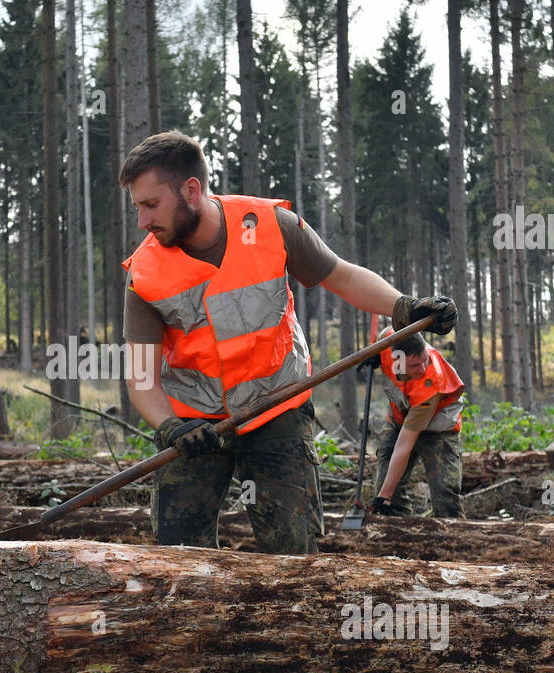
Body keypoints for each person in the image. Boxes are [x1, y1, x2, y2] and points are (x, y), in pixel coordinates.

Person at [120, 131, 456, 553]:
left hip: (277, 406)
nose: (142, 221)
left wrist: (403, 307)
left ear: (190, 190)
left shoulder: (268, 227)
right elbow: (141, 378)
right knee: (178, 557)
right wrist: (170, 428)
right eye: (138, 207)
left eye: (150, 205)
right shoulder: (145, 272)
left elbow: (342, 275)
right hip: (193, 425)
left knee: (292, 557)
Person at [370, 325, 466, 518]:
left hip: (439, 427)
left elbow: (405, 444)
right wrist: (372, 353)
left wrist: (384, 495)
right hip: (401, 420)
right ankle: (399, 532)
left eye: (425, 360)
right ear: (396, 359)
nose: (422, 368)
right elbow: (388, 331)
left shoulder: (430, 381)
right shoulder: (388, 340)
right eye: (414, 365)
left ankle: (453, 536)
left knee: (445, 497)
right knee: (388, 491)